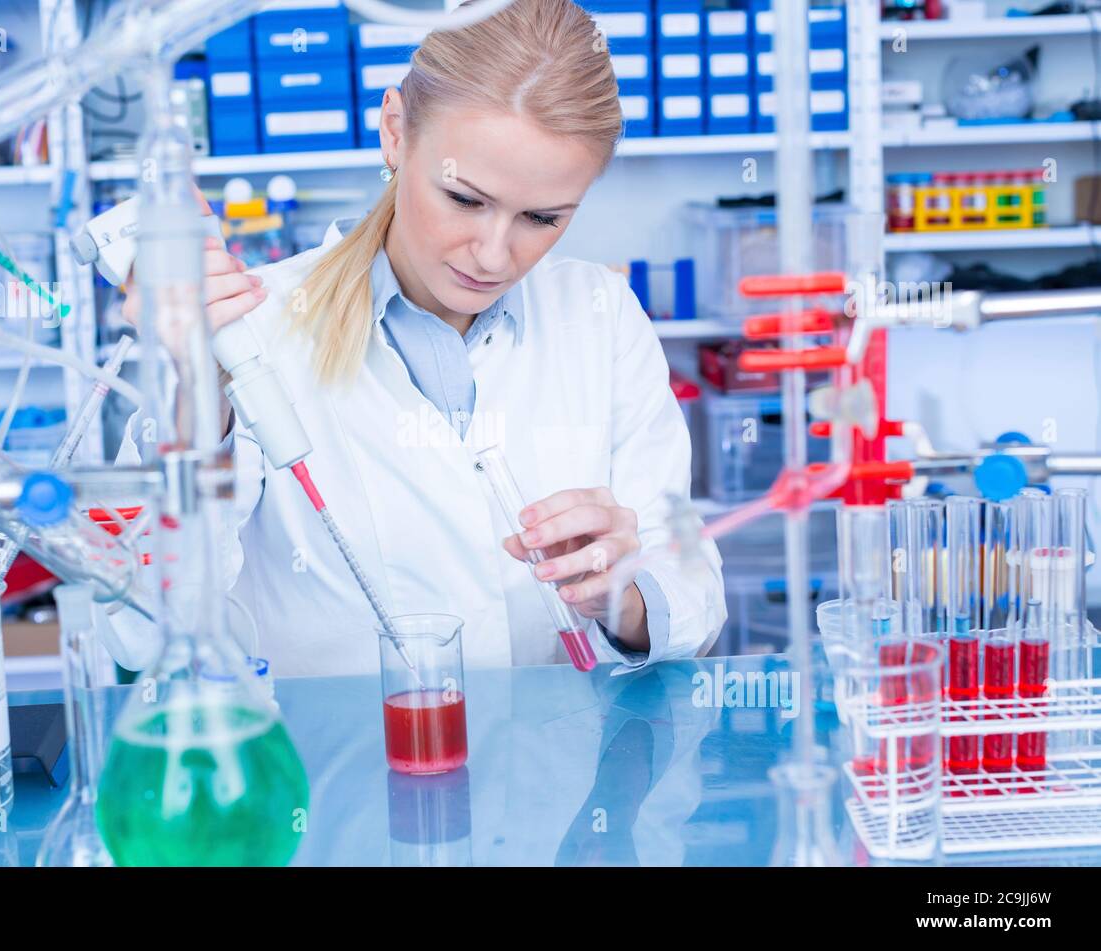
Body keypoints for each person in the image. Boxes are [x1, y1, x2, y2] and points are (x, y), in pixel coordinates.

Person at [123, 0, 726, 676]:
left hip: (566, 774)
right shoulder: (248, 328)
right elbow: (141, 620)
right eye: (465, 200)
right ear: (395, 131)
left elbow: (690, 585)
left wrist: (626, 599)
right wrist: (201, 399)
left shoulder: (600, 314)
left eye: (542, 217)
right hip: (337, 772)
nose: (494, 256)